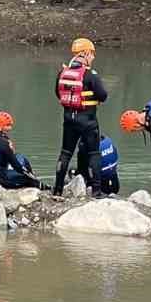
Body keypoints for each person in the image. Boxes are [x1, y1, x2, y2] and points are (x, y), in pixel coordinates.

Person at [52, 37, 107, 197]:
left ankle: (57, 190)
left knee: (65, 152)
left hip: (69, 120)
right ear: (85, 53)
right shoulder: (90, 74)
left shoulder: (62, 73)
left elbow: (58, 93)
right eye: (92, 53)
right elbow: (103, 95)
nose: (94, 57)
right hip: (88, 120)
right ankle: (96, 191)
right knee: (94, 154)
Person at [96, 133, 120, 198]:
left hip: (103, 181)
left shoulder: (96, 148)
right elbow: (116, 156)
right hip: (114, 179)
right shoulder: (109, 143)